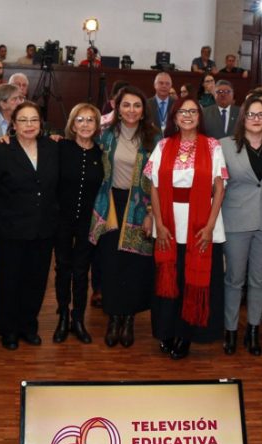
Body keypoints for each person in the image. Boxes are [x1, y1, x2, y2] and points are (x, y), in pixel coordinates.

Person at [146, 97, 226, 360]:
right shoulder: (163, 145)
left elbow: (219, 188)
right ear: (174, 117)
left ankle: (186, 335)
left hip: (201, 223)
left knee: (192, 279)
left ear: (200, 117)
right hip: (168, 221)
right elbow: (154, 186)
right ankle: (167, 331)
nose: (188, 115)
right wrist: (158, 222)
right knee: (171, 280)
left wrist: (210, 225)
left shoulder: (212, 146)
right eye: (183, 111)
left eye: (193, 111)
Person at [0, 101, 60, 350]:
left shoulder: (52, 148)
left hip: (43, 230)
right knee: (8, 281)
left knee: (36, 281)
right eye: (23, 120)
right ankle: (8, 330)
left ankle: (29, 325)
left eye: (34, 120)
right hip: (10, 230)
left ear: (41, 124)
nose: (29, 125)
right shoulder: (1, 151)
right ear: (13, 125)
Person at [220, 95, 262, 356]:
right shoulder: (225, 146)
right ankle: (230, 331)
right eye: (252, 114)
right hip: (234, 221)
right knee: (234, 279)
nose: (257, 119)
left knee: (260, 279)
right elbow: (218, 187)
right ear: (243, 118)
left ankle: (253, 331)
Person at [89, 86, 158, 348]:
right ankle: (113, 318)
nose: (131, 110)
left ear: (143, 111)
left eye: (136, 105)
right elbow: (79, 141)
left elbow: (157, 180)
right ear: (117, 108)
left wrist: (152, 212)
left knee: (134, 265)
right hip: (111, 205)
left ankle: (128, 319)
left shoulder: (153, 139)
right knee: (110, 263)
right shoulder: (105, 135)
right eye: (126, 105)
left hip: (141, 206)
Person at [52, 103, 103, 344]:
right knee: (63, 268)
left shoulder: (101, 154)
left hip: (88, 222)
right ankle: (62, 316)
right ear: (72, 124)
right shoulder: (60, 147)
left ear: (96, 125)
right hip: (61, 219)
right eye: (80, 120)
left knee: (82, 271)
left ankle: (78, 319)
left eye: (90, 120)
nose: (84, 125)